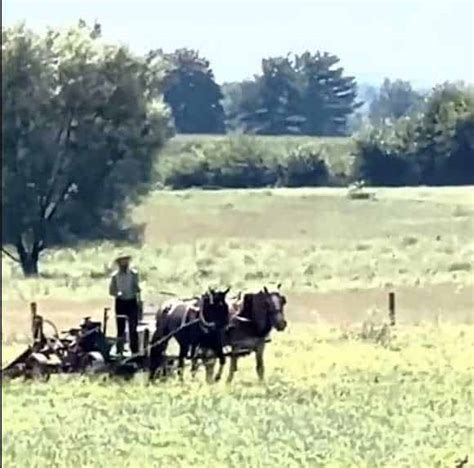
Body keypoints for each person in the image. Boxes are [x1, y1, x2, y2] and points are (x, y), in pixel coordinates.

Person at [109, 253, 141, 354]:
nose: (125, 262)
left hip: (132, 302)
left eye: (126, 260)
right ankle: (119, 350)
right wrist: (117, 293)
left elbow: (137, 288)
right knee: (120, 328)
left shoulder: (133, 274)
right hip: (120, 302)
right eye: (123, 260)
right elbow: (111, 291)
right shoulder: (115, 276)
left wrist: (137, 290)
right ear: (119, 263)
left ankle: (134, 350)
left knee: (133, 328)